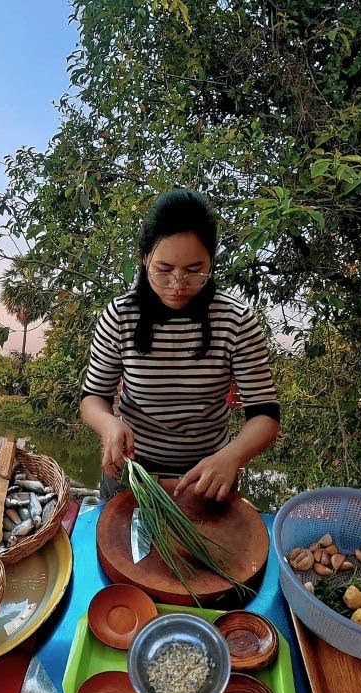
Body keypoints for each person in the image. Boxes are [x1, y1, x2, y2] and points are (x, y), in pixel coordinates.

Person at [80, 188, 280, 502]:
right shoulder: (120, 316)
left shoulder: (237, 322)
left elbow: (265, 414)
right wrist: (109, 425)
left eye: (193, 270)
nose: (177, 284)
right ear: (145, 258)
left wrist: (232, 457)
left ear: (212, 262)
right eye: (164, 270)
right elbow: (93, 397)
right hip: (132, 474)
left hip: (207, 478)